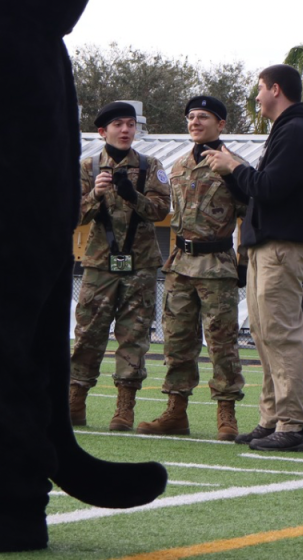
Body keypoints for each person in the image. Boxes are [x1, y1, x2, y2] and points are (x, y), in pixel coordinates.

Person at [203, 64, 303, 453]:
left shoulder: (298, 131)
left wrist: (233, 166)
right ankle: (272, 419)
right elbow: (262, 189)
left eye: (259, 88)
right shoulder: (286, 130)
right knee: (263, 334)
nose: (256, 96)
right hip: (266, 246)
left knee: (281, 335)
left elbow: (269, 187)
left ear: (276, 89)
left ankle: (293, 426)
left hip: (283, 247)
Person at [136, 96, 247, 441]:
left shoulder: (234, 165)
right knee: (177, 342)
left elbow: (249, 214)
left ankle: (226, 413)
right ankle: (176, 411)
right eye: (191, 117)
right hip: (180, 264)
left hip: (217, 266)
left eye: (203, 117)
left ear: (221, 125)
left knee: (221, 343)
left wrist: (243, 261)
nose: (195, 122)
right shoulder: (179, 166)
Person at [69, 101, 171, 431]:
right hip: (99, 263)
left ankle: (124, 407)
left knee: (134, 337)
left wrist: (132, 195)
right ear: (103, 131)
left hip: (139, 265)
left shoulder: (149, 165)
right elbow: (70, 215)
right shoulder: (87, 167)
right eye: (118, 125)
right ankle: (75, 401)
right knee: (88, 334)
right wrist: (95, 196)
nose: (126, 130)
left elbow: (160, 212)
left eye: (130, 124)